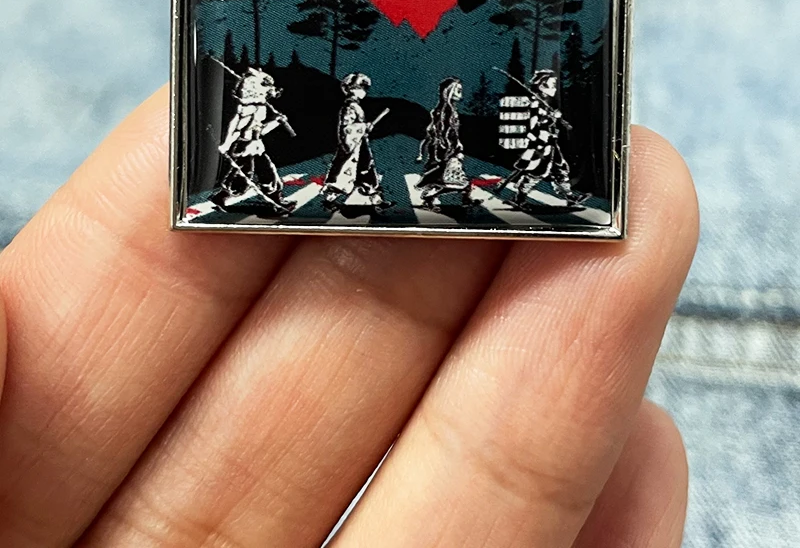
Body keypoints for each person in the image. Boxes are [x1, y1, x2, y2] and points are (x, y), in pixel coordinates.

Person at [0, 87, 698, 547]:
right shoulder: (326, 113)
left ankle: (369, 186)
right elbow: (305, 125)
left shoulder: (421, 112)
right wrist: (307, 126)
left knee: (360, 172)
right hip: (296, 160)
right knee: (304, 172)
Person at [210, 67, 296, 214]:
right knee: (253, 173)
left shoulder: (258, 107)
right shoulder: (249, 108)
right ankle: (276, 201)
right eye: (267, 87)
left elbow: (259, 131)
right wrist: (227, 144)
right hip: (245, 146)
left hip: (254, 145)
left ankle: (222, 196)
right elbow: (239, 129)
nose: (271, 91)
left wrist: (276, 122)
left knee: (255, 172)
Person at [506, 68, 589, 209]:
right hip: (541, 144)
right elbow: (532, 126)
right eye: (552, 84)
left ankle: (570, 197)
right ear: (542, 85)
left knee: (559, 168)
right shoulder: (534, 103)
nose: (555, 88)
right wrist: (548, 120)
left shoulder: (545, 103)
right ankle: (519, 198)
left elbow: (545, 122)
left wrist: (552, 118)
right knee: (537, 171)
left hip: (550, 142)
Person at [322, 72, 392, 212]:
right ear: (350, 89)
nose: (363, 91)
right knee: (344, 173)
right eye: (359, 88)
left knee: (367, 170)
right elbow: (346, 128)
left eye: (364, 88)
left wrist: (364, 127)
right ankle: (329, 200)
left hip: (360, 144)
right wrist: (364, 127)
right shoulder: (349, 107)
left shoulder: (355, 106)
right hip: (353, 146)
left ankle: (377, 200)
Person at [416, 77, 474, 210]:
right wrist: (454, 149)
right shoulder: (446, 111)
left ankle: (465, 199)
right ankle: (430, 197)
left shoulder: (448, 110)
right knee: (453, 180)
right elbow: (444, 133)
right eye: (458, 90)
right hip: (447, 151)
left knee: (453, 179)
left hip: (447, 150)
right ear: (449, 91)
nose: (461, 94)